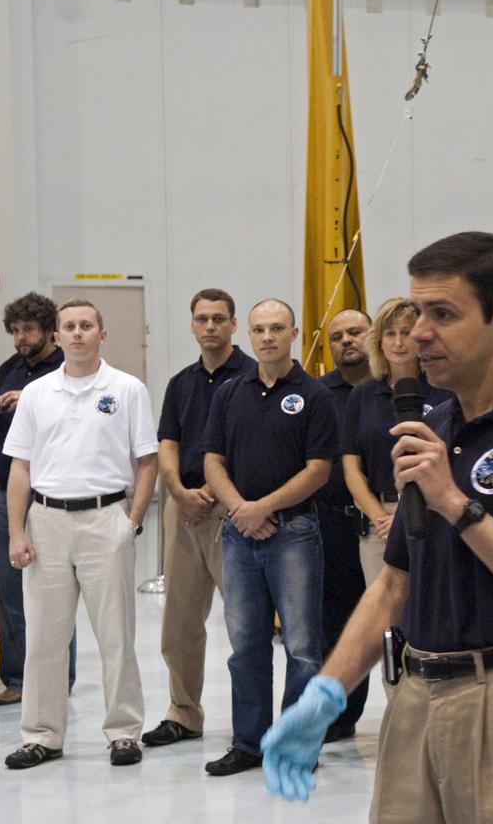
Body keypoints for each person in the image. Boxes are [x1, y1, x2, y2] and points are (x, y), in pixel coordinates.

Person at [258, 232, 493, 824]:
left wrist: (458, 504)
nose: (418, 332)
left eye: (442, 314)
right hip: (416, 699)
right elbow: (394, 585)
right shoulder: (436, 426)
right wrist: (325, 692)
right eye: (418, 311)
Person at [2, 298, 158, 769]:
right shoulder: (37, 393)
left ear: (102, 335)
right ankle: (42, 735)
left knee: (116, 635)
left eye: (86, 325)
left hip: (105, 518)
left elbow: (147, 461)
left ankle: (123, 732)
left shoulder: (127, 389)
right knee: (45, 638)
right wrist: (16, 531)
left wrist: (130, 522)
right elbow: (20, 468)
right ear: (56, 336)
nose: (77, 333)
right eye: (68, 326)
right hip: (45, 521)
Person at [202, 298, 337, 777]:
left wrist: (265, 507)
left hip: (294, 534)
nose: (267, 337)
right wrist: (242, 509)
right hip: (239, 536)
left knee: (302, 648)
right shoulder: (230, 391)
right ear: (249, 334)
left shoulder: (314, 395)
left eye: (277, 328)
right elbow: (212, 461)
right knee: (246, 647)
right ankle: (249, 744)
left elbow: (319, 470)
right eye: (259, 329)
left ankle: (296, 746)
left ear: (294, 334)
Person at [142, 289, 255, 749]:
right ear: (192, 325)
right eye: (202, 319)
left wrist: (221, 493)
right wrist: (178, 491)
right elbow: (167, 442)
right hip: (184, 509)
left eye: (219, 319)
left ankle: (253, 721)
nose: (210, 326)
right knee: (180, 621)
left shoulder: (252, 377)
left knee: (246, 624)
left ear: (233, 325)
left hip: (235, 510)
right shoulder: (180, 383)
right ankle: (183, 713)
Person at [0, 292, 68, 707]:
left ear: (49, 330)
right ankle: (16, 677)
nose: (21, 338)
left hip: (50, 493)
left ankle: (58, 678)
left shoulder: (65, 370)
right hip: (3, 493)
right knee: (8, 588)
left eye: (28, 329)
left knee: (54, 587)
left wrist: (29, 401)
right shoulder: (8, 370)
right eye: (15, 330)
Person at [341, 298, 450, 588]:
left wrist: (408, 516)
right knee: (385, 618)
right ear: (379, 341)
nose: (399, 342)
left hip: (433, 514)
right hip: (380, 523)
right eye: (390, 333)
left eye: (406, 332)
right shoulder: (362, 395)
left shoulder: (443, 391)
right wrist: (381, 518)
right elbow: (351, 469)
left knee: (430, 609)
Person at [315, 309, 374, 743]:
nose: (347, 341)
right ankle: (340, 717)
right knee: (334, 626)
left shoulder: (393, 390)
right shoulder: (318, 395)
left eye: (355, 332)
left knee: (392, 622)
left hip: (386, 527)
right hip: (331, 525)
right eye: (337, 336)